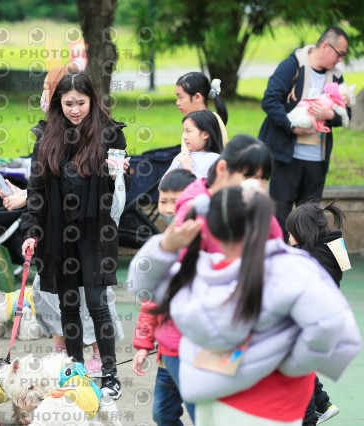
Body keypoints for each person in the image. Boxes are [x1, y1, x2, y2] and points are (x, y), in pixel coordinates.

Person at [129, 185, 361, 425]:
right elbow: (338, 333)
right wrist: (294, 363)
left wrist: (165, 245)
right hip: (278, 404)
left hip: (221, 398)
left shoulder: (196, 277)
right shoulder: (292, 269)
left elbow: (141, 282)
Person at [21, 71, 129, 400]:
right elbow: (36, 190)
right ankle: (76, 371)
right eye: (68, 104)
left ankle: (110, 374)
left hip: (95, 232)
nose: (75, 110)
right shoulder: (46, 136)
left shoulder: (110, 134)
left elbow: (120, 192)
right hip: (57, 233)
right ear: (58, 103)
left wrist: (121, 175)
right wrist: (30, 231)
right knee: (68, 306)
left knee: (97, 303)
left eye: (81, 103)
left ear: (92, 100)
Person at [258, 26, 350, 234]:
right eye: (339, 54)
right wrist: (292, 127)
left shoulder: (336, 76)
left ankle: (306, 255)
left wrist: (330, 115)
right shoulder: (293, 65)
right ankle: (279, 253)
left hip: (317, 160)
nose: (340, 60)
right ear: (326, 46)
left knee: (310, 221)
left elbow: (346, 114)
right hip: (286, 157)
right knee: (280, 215)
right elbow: (270, 101)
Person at [132, 168, 195, 426]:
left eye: (176, 201)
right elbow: (150, 303)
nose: (168, 208)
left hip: (197, 355)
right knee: (162, 413)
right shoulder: (161, 247)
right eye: (163, 201)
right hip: (167, 355)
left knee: (204, 415)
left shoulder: (206, 243)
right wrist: (144, 344)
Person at [287, 200, 347, 425]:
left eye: (290, 233)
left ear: (302, 233)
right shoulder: (333, 248)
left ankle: (308, 419)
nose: (288, 237)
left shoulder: (307, 259)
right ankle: (323, 404)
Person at [175, 72, 229, 151]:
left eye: (180, 97)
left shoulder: (204, 123)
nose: (177, 103)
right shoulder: (211, 118)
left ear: (197, 97)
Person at [164, 110, 223, 179]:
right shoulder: (181, 156)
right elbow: (164, 183)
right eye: (184, 131)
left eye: (188, 131)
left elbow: (208, 185)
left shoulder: (214, 160)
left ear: (205, 134)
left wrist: (188, 169)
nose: (184, 137)